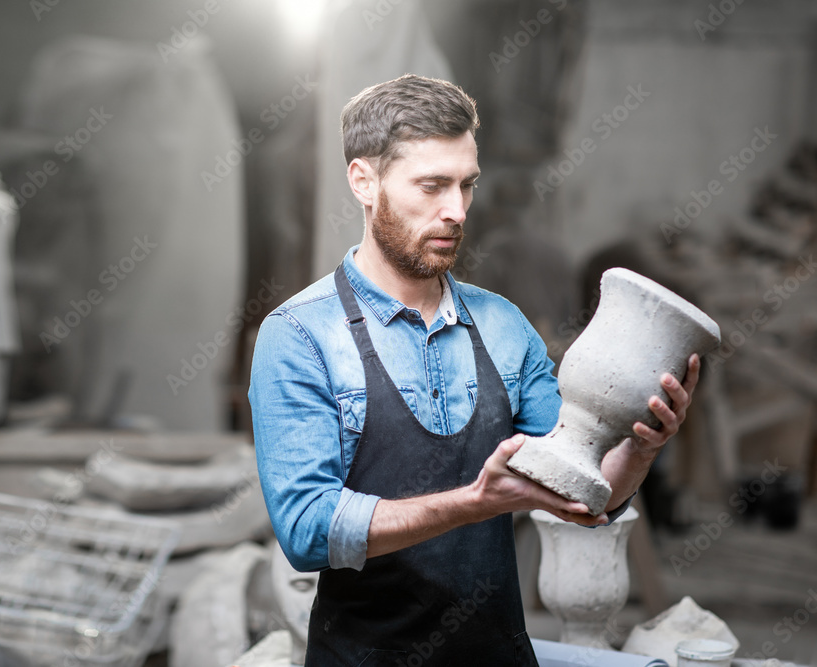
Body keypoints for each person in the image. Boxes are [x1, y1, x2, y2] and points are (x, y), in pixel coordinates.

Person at [248, 74, 699, 665]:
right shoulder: (301, 335)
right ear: (364, 180)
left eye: (466, 185)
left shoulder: (502, 325)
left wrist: (641, 445)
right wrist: (477, 502)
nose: (456, 211)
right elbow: (308, 530)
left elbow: (587, 495)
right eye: (432, 186)